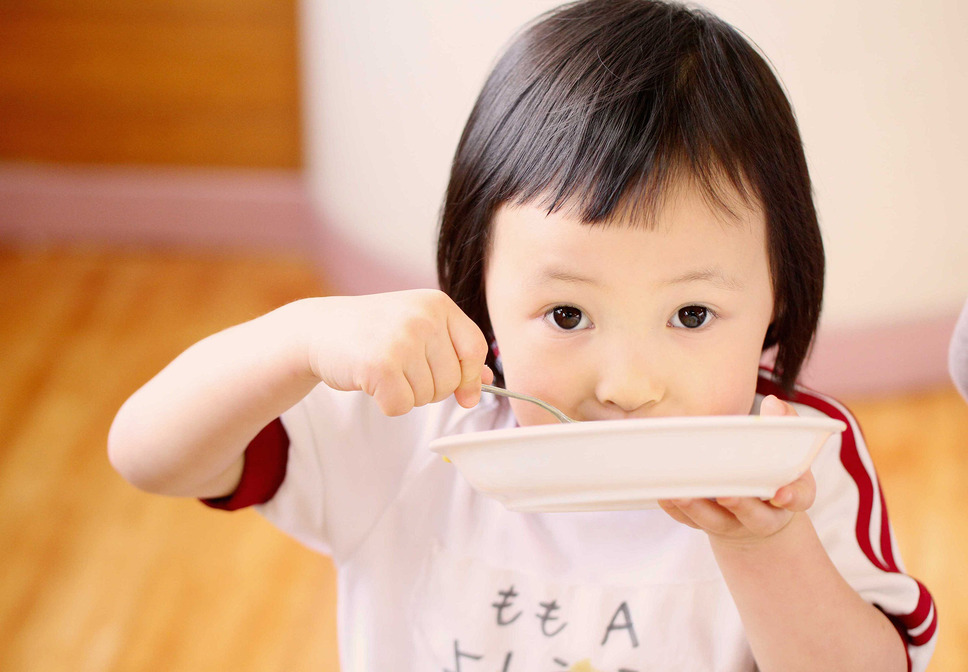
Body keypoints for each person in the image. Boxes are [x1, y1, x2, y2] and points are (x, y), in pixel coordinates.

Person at [108, 1, 936, 669]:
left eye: (691, 316)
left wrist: (770, 546)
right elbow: (148, 456)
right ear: (481, 287)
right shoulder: (414, 430)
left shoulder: (798, 464)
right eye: (568, 316)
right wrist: (295, 336)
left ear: (778, 297)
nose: (628, 384)